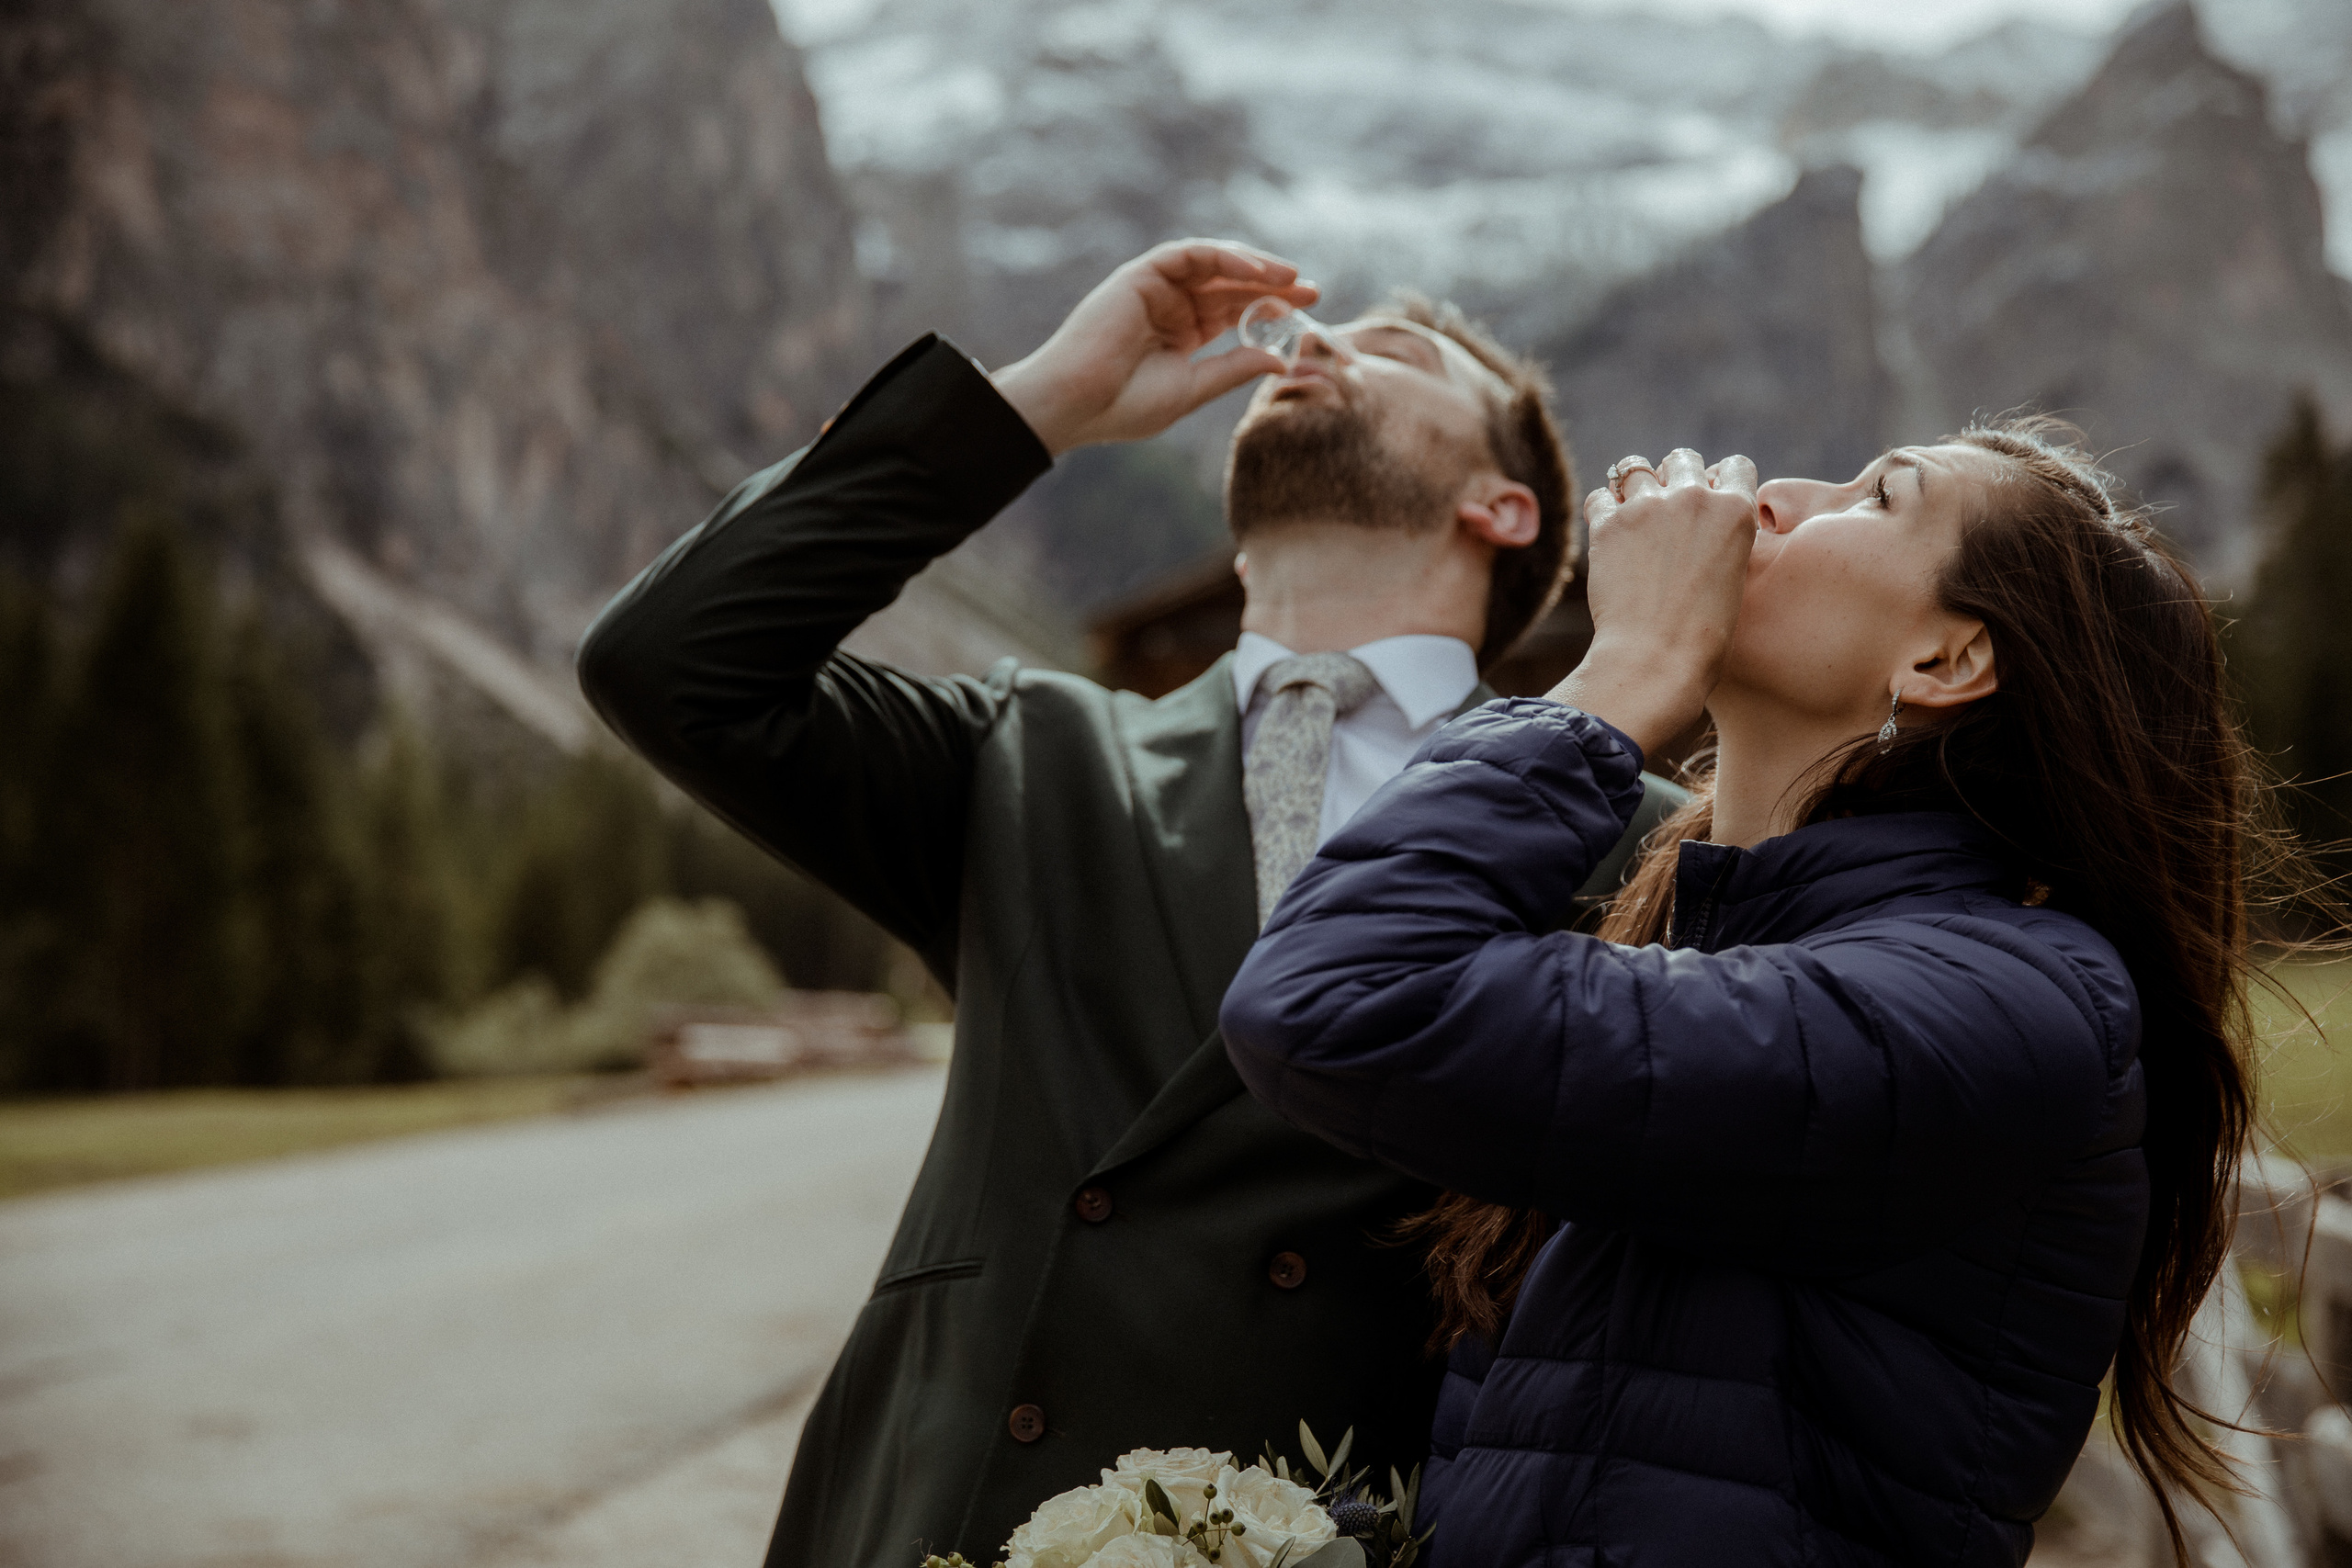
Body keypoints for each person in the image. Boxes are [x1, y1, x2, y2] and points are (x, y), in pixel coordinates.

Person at [574, 239, 1686, 1565]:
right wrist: (1045, 396)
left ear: (1504, 507)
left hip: (1354, 1524)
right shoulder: (1028, 751)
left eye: (1391, 352)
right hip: (961, 1504)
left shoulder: (1639, 839)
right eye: (1321, 336)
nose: (1312, 343)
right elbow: (670, 658)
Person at [1221, 426, 2263, 1565]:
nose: (1770, 496)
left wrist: (1629, 668)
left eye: (1875, 496)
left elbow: (1333, 997)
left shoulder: (2013, 999)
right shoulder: (1687, 942)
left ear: (1945, 661)